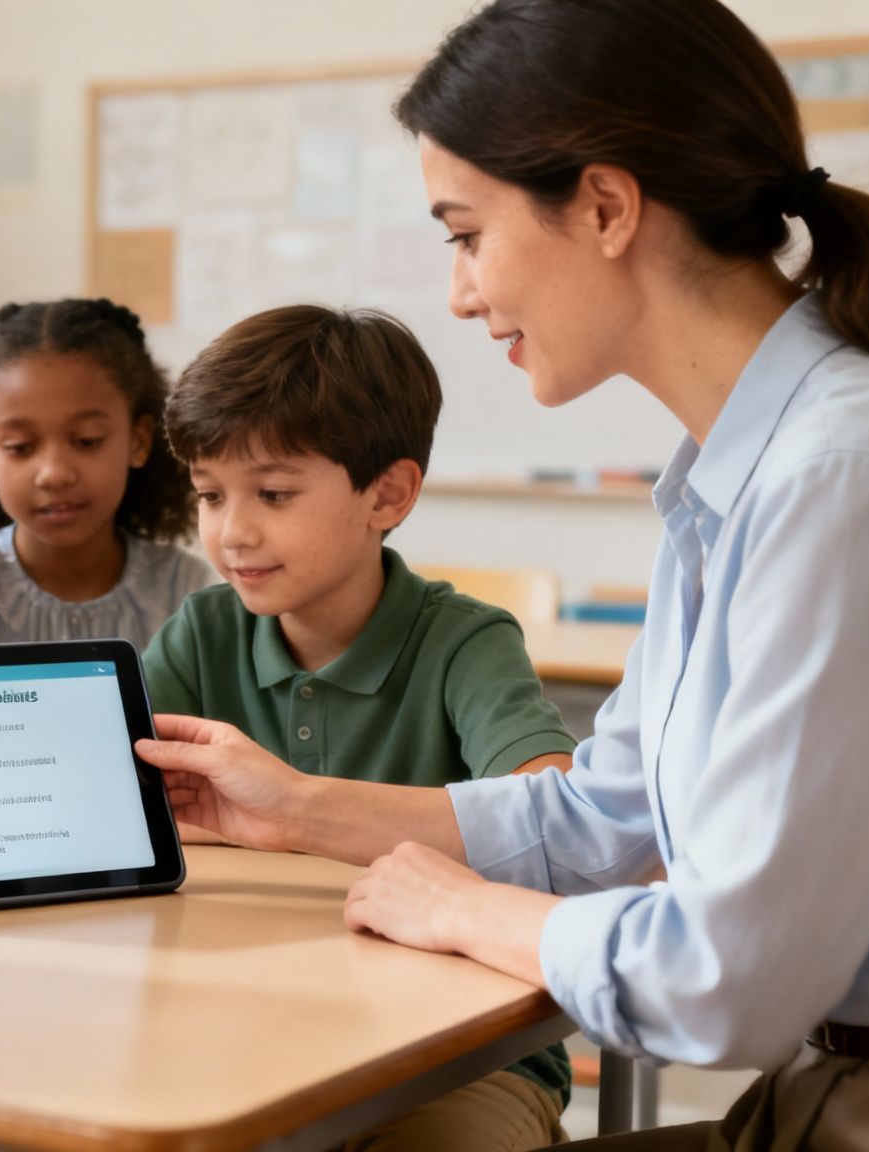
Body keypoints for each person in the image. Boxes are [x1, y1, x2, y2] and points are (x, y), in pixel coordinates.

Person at [141, 1, 869, 1148]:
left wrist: (468, 912)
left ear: (604, 207)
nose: (459, 292)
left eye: (464, 233)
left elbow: (722, 981)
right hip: (850, 1091)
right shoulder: (742, 469)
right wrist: (298, 811)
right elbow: (599, 817)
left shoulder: (847, 477)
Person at [143, 303, 579, 1150]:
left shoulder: (465, 642)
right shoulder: (203, 634)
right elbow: (125, 814)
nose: (232, 531)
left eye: (272, 493)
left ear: (388, 494)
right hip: (253, 1026)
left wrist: (300, 811)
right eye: (209, 494)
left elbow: (553, 811)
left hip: (462, 1058)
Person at [0, 298, 214, 649]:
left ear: (138, 441)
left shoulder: (189, 591)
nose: (54, 474)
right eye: (20, 447)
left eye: (87, 441)